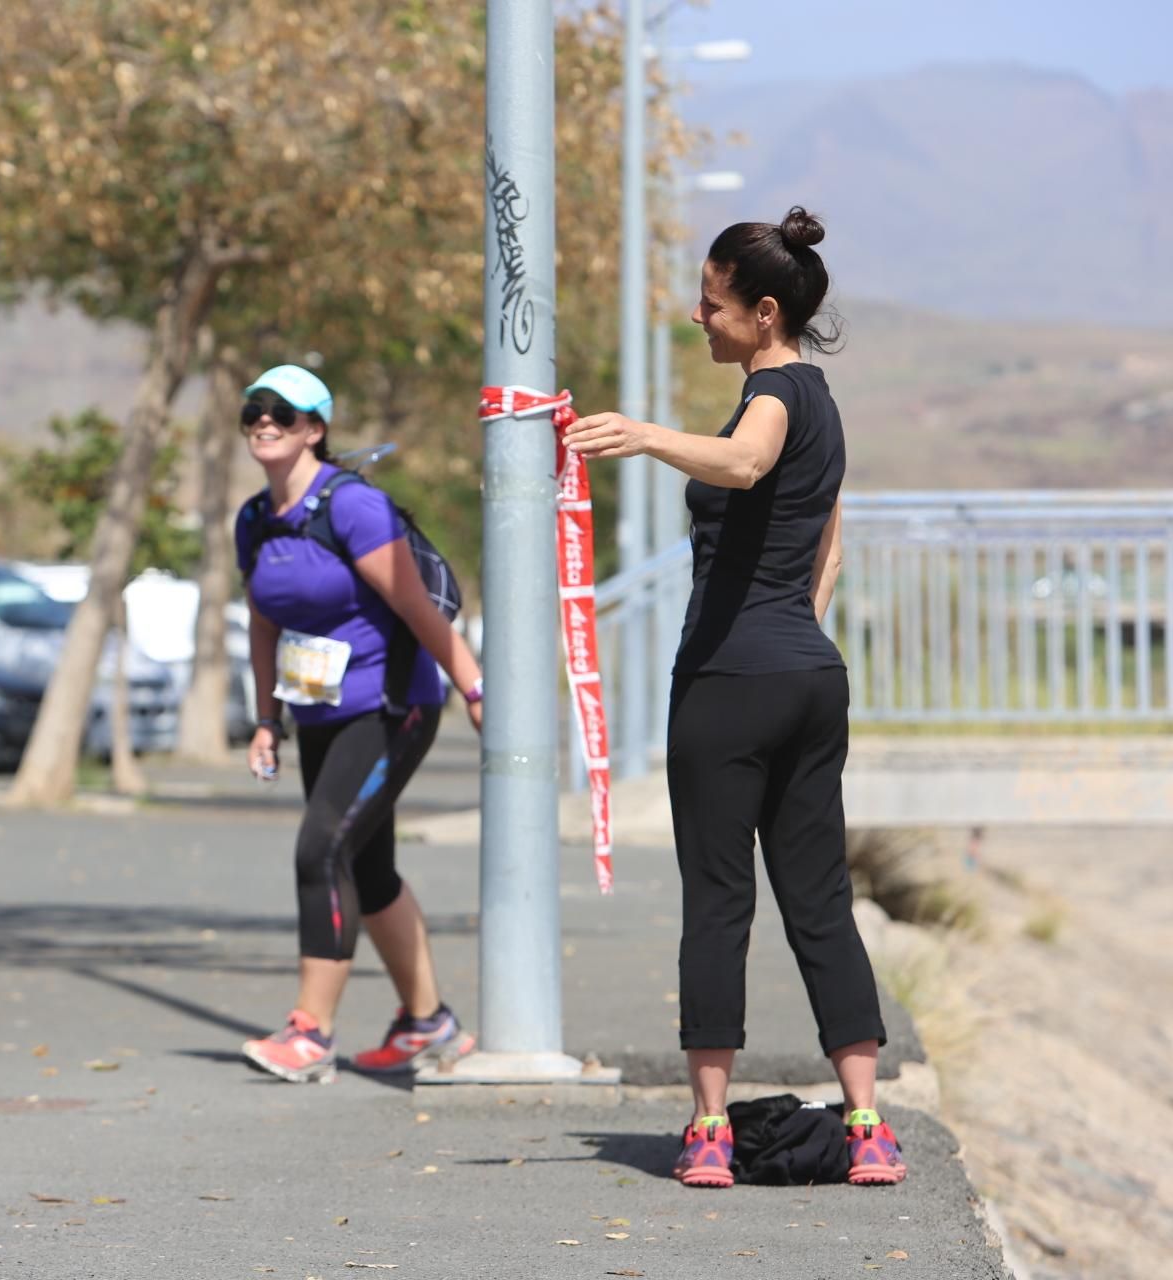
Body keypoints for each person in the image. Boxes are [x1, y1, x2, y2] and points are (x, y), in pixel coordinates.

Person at [564, 208, 907, 1187]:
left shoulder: (772, 396)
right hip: (809, 672)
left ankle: (711, 1127)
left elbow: (747, 461)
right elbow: (830, 547)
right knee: (820, 901)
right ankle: (868, 1122)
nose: (695, 316)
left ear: (763, 313)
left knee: (719, 901)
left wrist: (641, 434)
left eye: (709, 303)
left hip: (726, 682)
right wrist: (794, 632)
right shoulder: (828, 403)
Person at [233, 365, 484, 1082]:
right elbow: (262, 626)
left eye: (283, 412)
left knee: (321, 851)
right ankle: (427, 1024)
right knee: (367, 870)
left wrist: (473, 685)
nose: (265, 421)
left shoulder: (353, 509)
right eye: (254, 411)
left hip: (390, 707)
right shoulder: (254, 519)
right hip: (317, 710)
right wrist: (263, 721)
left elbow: (416, 608)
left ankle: (310, 1034)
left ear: (315, 429)